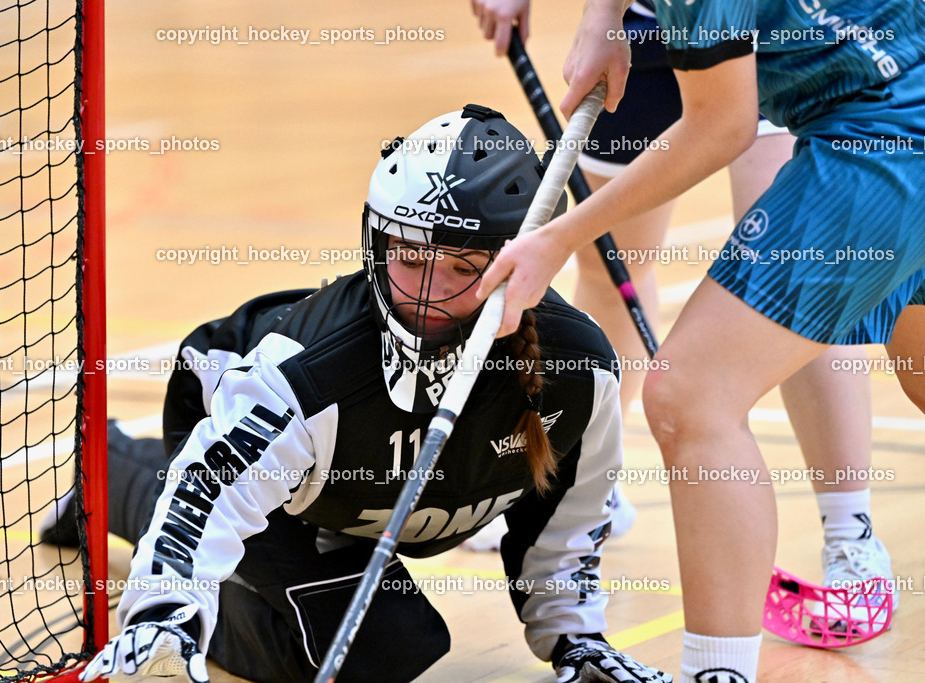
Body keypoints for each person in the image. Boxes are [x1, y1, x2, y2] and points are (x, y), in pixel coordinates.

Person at [68, 106, 672, 683]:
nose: (427, 295)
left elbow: (566, 520)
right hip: (237, 439)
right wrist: (166, 620)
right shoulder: (303, 379)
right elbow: (210, 500)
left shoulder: (579, 370)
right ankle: (114, 475)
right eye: (410, 257)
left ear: (526, 265)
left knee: (379, 636)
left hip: (347, 500)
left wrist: (577, 640)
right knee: (383, 650)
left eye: (464, 269)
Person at [474, 2, 925, 681]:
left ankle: (723, 667)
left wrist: (557, 237)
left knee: (693, 393)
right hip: (896, 102)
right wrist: (607, 17)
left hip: (881, 135)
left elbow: (720, 127)